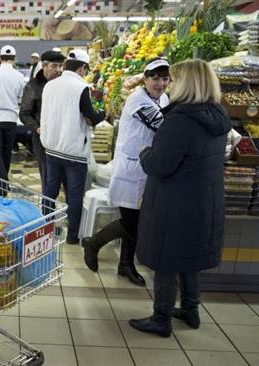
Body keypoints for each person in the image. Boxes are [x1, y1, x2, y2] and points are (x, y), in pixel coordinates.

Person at [128, 59, 230, 337]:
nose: (167, 85)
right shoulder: (218, 116)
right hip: (204, 200)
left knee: (167, 259)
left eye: (172, 79)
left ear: (185, 84)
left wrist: (146, 153)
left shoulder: (179, 121)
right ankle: (190, 310)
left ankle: (161, 318)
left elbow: (160, 165)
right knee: (190, 258)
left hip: (175, 203)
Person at [82, 58, 171, 287]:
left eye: (164, 78)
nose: (160, 83)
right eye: (155, 78)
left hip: (147, 167)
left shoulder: (163, 98)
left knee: (136, 220)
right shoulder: (138, 100)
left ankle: (125, 264)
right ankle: (94, 243)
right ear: (145, 78)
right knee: (132, 222)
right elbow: (162, 125)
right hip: (131, 170)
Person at [40, 49, 105, 244]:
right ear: (83, 67)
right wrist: (103, 114)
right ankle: (72, 236)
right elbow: (91, 118)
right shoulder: (81, 87)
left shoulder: (50, 85)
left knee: (50, 191)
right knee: (74, 195)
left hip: (51, 147)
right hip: (73, 152)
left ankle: (46, 230)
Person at [19, 50, 65, 193]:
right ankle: (48, 212)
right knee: (48, 177)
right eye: (54, 66)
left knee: (65, 178)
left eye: (60, 66)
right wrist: (37, 129)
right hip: (42, 138)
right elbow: (24, 114)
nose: (58, 70)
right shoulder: (33, 86)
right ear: (44, 66)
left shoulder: (64, 84)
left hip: (63, 137)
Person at [0, 45, 26, 196]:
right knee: (6, 151)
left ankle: (3, 183)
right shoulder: (20, 76)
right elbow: (21, 96)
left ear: (0, 58)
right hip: (11, 118)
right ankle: (3, 186)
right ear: (14, 59)